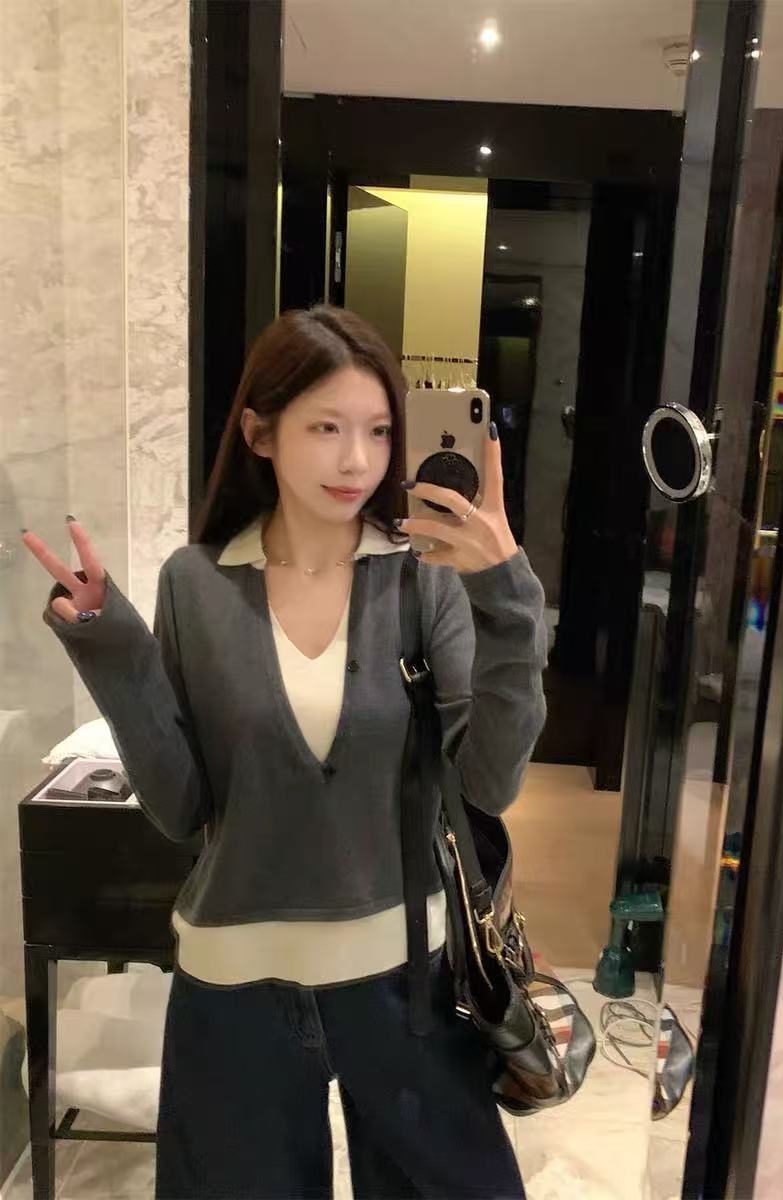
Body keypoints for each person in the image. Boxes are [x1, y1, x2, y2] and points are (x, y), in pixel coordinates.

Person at [21, 305, 548, 1199]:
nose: (357, 461)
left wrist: (505, 596)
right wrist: (112, 648)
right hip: (234, 988)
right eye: (326, 428)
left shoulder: (423, 577)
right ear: (260, 433)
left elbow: (489, 783)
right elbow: (182, 806)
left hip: (405, 983)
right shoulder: (196, 583)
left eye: (379, 431)